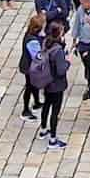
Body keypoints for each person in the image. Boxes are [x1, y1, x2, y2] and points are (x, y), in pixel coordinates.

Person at [36, 21, 71, 149]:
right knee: (55, 111)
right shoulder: (58, 51)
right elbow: (61, 70)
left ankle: (43, 129)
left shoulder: (46, 43)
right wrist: (68, 62)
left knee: (46, 105)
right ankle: (53, 139)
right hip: (57, 85)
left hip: (46, 81)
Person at [18, 10, 46, 122]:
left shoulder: (29, 34)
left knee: (34, 85)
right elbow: (37, 56)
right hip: (30, 67)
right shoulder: (32, 41)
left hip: (29, 65)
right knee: (29, 87)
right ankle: (25, 110)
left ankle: (37, 102)